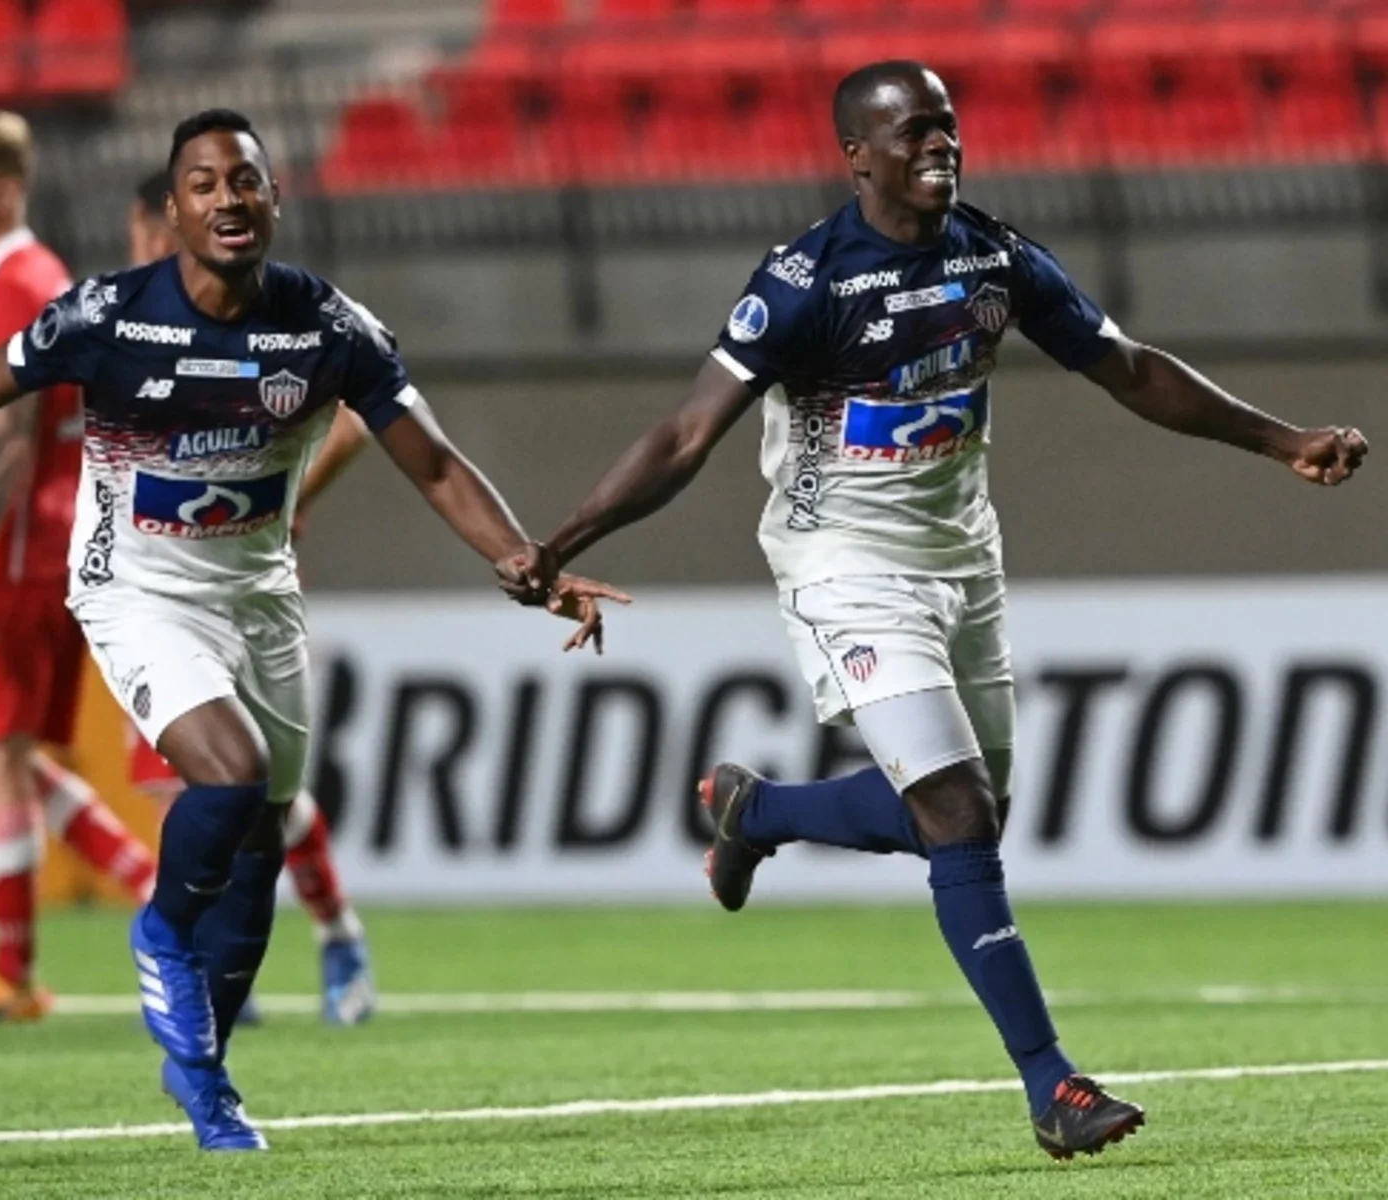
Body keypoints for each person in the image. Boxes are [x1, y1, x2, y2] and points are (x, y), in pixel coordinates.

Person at [507, 61, 1367, 1160]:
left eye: (947, 128)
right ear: (855, 156)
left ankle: (755, 814)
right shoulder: (806, 282)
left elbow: (1128, 367)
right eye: (911, 133)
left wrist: (1281, 439)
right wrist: (557, 547)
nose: (938, 147)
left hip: (963, 557)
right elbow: (684, 435)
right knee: (956, 811)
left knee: (961, 815)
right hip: (843, 562)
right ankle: (1053, 1086)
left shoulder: (993, 255)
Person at [0, 107, 622, 1151]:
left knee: (262, 839)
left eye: (246, 181)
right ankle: (162, 931)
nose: (228, 198)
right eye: (204, 184)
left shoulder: (327, 328)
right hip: (134, 587)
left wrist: (525, 564)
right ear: (173, 212)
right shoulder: (107, 316)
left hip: (257, 591)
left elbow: (436, 463)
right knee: (223, 777)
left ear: (273, 199)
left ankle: (206, 1075)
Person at [124, 170, 380, 1025]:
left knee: (256, 789)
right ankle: (216, 966)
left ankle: (334, 934)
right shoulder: (123, 328)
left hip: (242, 581)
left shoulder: (263, 319)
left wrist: (287, 497)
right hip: (152, 591)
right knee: (196, 786)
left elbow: (356, 415)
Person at [0, 110, 156, 1022]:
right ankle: (146, 887)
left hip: (16, 549)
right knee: (10, 754)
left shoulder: (11, 283)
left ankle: (12, 974)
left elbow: (10, 432)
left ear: (7, 188)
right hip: (58, 542)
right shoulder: (45, 277)